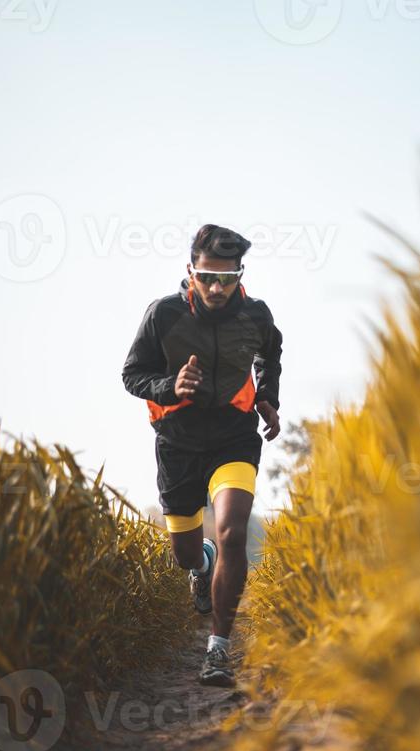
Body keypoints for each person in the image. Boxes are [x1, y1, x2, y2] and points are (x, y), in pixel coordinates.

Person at [121, 224, 283, 687]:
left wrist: (267, 394)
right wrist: (170, 387)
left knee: (233, 532)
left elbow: (270, 353)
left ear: (240, 275)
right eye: (208, 277)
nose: (217, 288)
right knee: (185, 552)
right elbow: (133, 375)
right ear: (190, 271)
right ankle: (200, 562)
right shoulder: (164, 315)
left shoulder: (255, 315)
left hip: (234, 436)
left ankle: (218, 652)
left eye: (228, 279)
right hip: (177, 443)